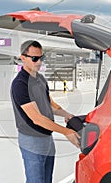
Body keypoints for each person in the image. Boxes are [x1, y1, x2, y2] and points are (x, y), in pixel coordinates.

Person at [10, 40, 80, 183]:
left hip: (47, 139)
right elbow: (37, 118)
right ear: (23, 58)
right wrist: (66, 132)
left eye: (42, 58)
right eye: (35, 58)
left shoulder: (40, 79)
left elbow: (50, 104)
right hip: (31, 141)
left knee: (47, 180)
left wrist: (66, 114)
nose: (39, 62)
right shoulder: (20, 84)